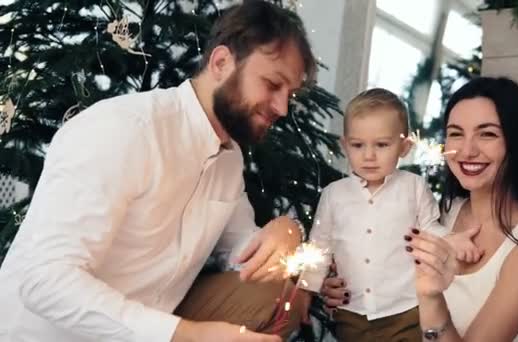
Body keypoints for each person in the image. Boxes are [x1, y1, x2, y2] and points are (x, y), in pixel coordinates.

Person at [0, 1, 317, 341]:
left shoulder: (229, 159)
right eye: (272, 84)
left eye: (290, 94)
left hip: (149, 328)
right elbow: (43, 279)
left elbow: (244, 254)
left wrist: (288, 230)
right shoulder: (123, 130)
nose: (283, 108)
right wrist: (186, 334)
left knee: (277, 288)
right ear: (222, 63)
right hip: (49, 334)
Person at [322, 77, 518, 341]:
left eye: (487, 134)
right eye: (456, 133)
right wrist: (349, 288)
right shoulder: (441, 213)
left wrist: (431, 298)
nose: (467, 150)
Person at [297, 88, 480, 342]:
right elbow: (319, 247)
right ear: (344, 145)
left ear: (404, 146)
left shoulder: (414, 187)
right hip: (352, 313)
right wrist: (305, 292)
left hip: (406, 310)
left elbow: (430, 229)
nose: (369, 155)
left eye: (382, 145)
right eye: (358, 145)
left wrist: (452, 241)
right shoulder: (333, 195)